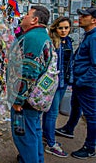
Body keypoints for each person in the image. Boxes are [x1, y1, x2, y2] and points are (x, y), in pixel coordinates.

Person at [7, 5, 53, 163]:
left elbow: (28, 72)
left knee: (24, 137)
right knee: (33, 133)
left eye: (27, 14)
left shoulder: (33, 38)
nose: (23, 17)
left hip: (26, 101)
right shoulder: (40, 36)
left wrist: (18, 100)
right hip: (34, 99)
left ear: (35, 19)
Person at [55, 7, 96, 159]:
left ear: (93, 20)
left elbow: (95, 65)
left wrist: (81, 80)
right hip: (81, 83)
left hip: (87, 84)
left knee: (91, 115)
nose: (80, 17)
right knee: (76, 106)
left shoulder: (94, 37)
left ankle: (90, 147)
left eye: (84, 15)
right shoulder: (89, 35)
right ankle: (69, 128)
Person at [42, 17, 74, 158]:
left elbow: (69, 63)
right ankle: (51, 143)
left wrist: (69, 80)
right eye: (61, 28)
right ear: (55, 28)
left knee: (51, 113)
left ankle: (46, 135)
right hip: (54, 83)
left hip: (63, 82)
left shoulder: (68, 42)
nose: (63, 30)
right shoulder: (52, 42)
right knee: (52, 113)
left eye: (66, 28)